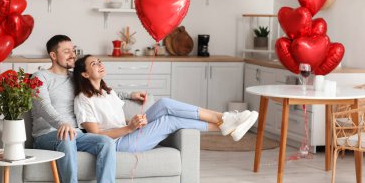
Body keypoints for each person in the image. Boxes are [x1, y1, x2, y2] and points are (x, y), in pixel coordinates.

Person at [73, 54, 259, 154]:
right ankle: (225, 121)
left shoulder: (108, 92)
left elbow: (116, 119)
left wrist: (133, 121)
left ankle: (226, 121)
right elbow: (95, 135)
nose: (99, 64)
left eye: (99, 61)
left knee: (163, 104)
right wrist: (130, 128)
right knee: (169, 121)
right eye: (93, 64)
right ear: (85, 74)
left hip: (128, 132)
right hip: (119, 143)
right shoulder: (83, 99)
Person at [31, 35, 130, 183]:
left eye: (73, 50)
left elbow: (99, 88)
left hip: (76, 134)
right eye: (66, 51)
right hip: (47, 135)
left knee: (105, 141)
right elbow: (42, 106)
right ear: (53, 55)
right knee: (67, 137)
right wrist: (62, 123)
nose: (72, 55)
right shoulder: (40, 77)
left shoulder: (74, 77)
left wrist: (131, 94)